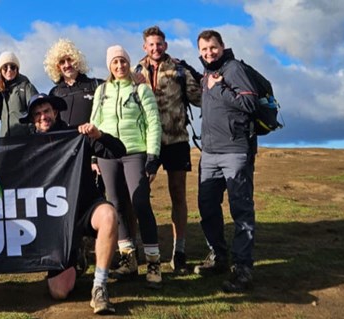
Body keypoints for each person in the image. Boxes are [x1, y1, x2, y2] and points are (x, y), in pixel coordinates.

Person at [21, 93, 124, 315]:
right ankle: (76, 257)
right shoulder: (28, 147)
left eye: (46, 111)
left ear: (55, 112)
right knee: (59, 291)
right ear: (32, 120)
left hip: (86, 208)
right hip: (55, 220)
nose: (43, 117)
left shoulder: (76, 134)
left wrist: (98, 135)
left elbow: (118, 150)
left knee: (108, 215)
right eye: (37, 114)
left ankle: (100, 286)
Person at [89, 45, 164, 288]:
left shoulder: (141, 89)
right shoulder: (101, 91)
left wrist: (153, 157)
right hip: (107, 155)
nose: (119, 66)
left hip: (135, 152)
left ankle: (153, 263)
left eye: (123, 61)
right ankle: (128, 259)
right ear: (109, 66)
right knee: (115, 205)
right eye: (115, 62)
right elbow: (94, 122)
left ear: (128, 63)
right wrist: (94, 156)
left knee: (140, 203)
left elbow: (153, 123)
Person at [194, 30, 258, 292]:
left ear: (222, 46)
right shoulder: (206, 74)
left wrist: (219, 87)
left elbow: (250, 103)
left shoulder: (234, 69)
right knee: (207, 206)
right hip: (209, 153)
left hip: (235, 151)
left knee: (240, 208)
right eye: (204, 49)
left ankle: (243, 268)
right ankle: (219, 256)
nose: (209, 52)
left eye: (213, 47)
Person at [135, 26, 203, 275]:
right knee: (139, 195)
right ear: (145, 47)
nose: (156, 48)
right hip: (146, 143)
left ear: (165, 45)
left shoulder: (179, 69)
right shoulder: (135, 71)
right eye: (151, 44)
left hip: (176, 140)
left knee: (178, 194)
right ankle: (135, 250)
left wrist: (212, 84)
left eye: (159, 43)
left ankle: (179, 252)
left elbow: (199, 98)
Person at [44, 39, 103, 127]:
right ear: (57, 67)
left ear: (76, 60)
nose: (67, 65)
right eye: (62, 62)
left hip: (91, 135)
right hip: (65, 136)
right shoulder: (54, 93)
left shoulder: (96, 85)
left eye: (69, 59)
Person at [0, 51, 39, 137]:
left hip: (24, 139)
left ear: (17, 69)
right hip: (5, 140)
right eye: (5, 67)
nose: (9, 70)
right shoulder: (0, 90)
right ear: (0, 70)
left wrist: (32, 133)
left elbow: (37, 110)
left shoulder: (26, 86)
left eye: (12, 67)